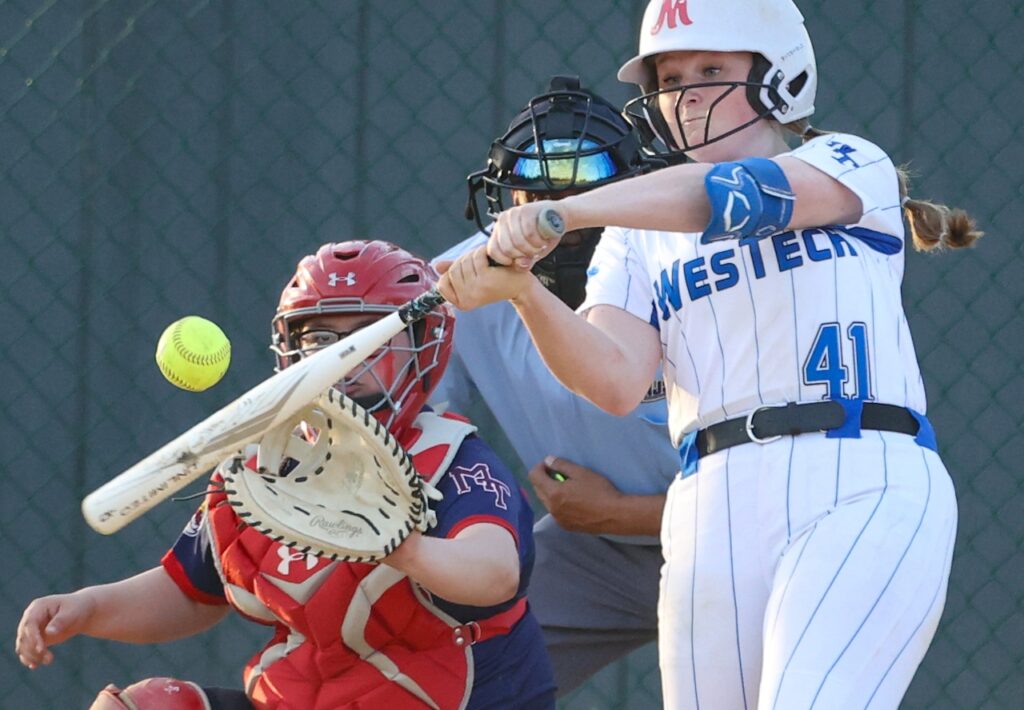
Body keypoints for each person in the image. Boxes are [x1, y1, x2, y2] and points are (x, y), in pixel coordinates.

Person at [437, 1, 982, 708]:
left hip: (857, 472)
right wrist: (523, 294)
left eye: (712, 70)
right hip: (710, 497)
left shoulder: (847, 162)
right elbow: (612, 381)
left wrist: (572, 209)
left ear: (780, 77)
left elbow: (733, 197)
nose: (686, 93)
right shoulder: (635, 237)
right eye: (668, 76)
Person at [16, 240, 555, 710]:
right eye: (322, 340)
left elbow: (495, 575)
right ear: (291, 351)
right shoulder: (262, 462)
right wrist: (88, 609)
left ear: (422, 345)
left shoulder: (449, 456)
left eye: (371, 337)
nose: (348, 359)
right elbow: (191, 591)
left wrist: (402, 547)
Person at [433, 75, 679, 697]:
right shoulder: (466, 281)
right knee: (441, 670)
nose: (556, 219)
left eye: (580, 191)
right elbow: (418, 430)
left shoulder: (695, 265)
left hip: (732, 536)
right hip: (590, 551)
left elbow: (779, 484)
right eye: (531, 194)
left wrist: (620, 512)